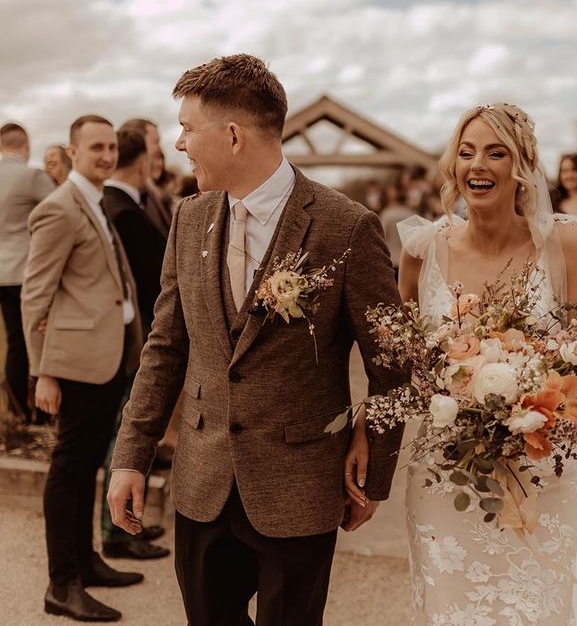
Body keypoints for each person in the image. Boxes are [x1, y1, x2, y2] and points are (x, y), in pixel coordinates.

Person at [107, 54, 406, 626]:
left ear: (233, 135)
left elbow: (392, 363)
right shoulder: (188, 219)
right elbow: (165, 347)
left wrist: (374, 474)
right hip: (202, 481)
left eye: (188, 129)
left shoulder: (346, 226)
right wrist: (130, 458)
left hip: (300, 488)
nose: (178, 145)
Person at [345, 103, 577, 624]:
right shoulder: (421, 249)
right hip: (445, 476)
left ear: (522, 165)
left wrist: (526, 390)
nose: (478, 165)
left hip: (543, 471)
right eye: (466, 152)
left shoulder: (567, 244)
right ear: (453, 166)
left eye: (496, 153)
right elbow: (399, 360)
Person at [22, 115, 144, 622]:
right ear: (73, 152)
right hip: (73, 366)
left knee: (90, 464)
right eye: (95, 147)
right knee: (69, 471)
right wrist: (42, 372)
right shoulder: (59, 208)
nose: (106, 155)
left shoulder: (92, 201)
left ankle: (87, 562)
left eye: (111, 146)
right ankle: (61, 584)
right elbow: (36, 294)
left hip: (106, 359)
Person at [100, 128, 170, 561]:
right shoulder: (121, 209)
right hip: (133, 337)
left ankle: (129, 526)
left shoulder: (135, 203)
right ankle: (118, 533)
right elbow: (150, 278)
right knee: (122, 437)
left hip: (139, 335)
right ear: (143, 161)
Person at [0, 123, 55, 422]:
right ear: (26, 146)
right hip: (24, 271)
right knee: (34, 339)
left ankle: (16, 409)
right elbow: (60, 209)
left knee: (13, 340)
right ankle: (40, 412)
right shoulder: (30, 176)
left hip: (0, 272)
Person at [118, 119, 173, 238]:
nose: (159, 148)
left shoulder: (151, 189)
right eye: (156, 142)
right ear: (138, 142)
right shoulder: (132, 193)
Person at [379, 185, 416, 280]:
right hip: (410, 259)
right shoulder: (412, 214)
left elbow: (381, 234)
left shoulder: (387, 214)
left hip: (392, 258)